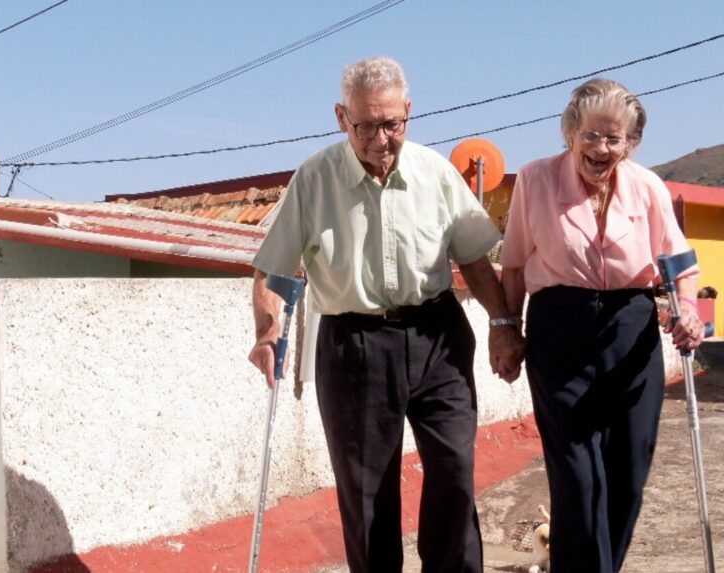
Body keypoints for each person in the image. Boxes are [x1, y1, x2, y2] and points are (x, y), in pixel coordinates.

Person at [248, 56, 525, 573]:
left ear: (408, 112)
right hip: (355, 346)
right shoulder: (315, 178)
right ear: (341, 118)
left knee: (455, 470)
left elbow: (473, 257)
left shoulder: (435, 172)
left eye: (392, 124)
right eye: (366, 126)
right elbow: (271, 271)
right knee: (368, 494)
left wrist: (504, 324)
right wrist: (268, 332)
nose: (381, 139)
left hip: (438, 336)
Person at [500, 78, 705, 572]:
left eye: (615, 138)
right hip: (559, 331)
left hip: (630, 328)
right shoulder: (535, 180)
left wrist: (688, 309)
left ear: (629, 142)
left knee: (629, 470)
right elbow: (514, 265)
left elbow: (680, 263)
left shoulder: (648, 187)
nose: (602, 148)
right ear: (571, 132)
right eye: (592, 135)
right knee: (578, 477)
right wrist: (506, 330)